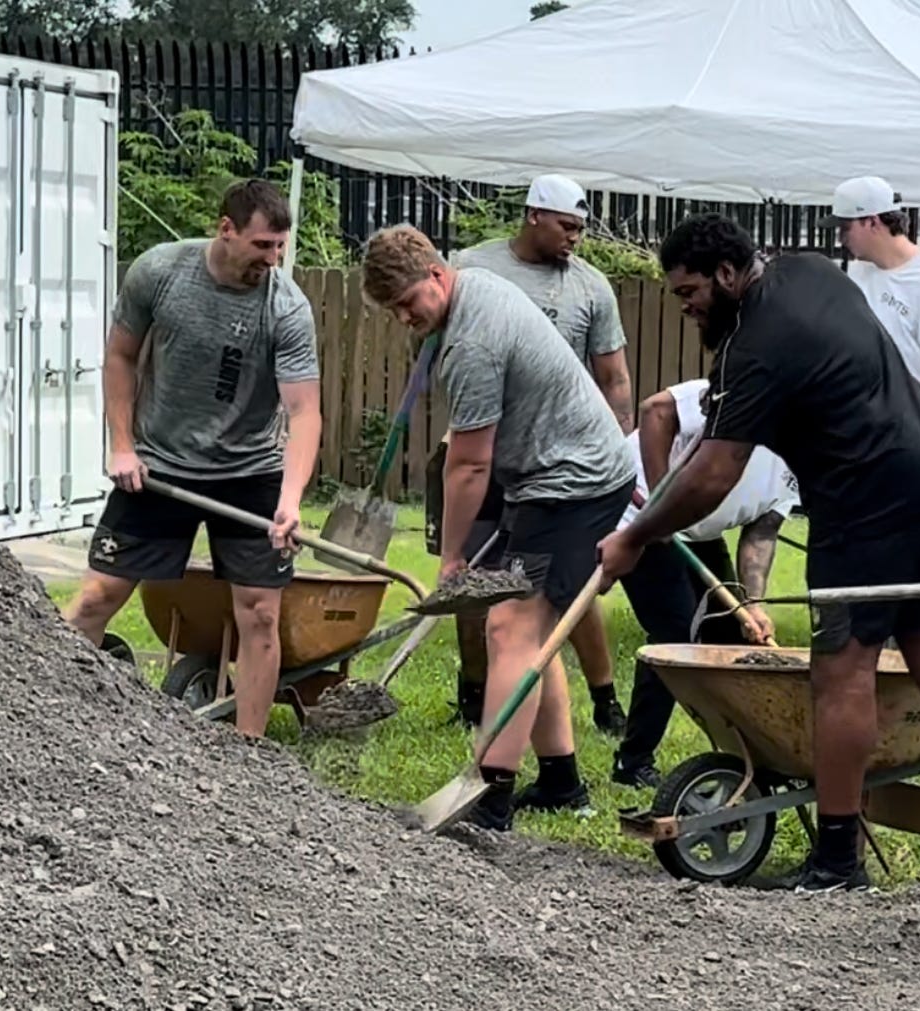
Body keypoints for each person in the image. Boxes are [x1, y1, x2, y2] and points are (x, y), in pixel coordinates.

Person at [596, 213, 920, 895]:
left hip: (870, 493)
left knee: (840, 670)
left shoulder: (758, 344)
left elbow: (713, 473)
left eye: (689, 293)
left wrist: (632, 535)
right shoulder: (808, 269)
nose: (686, 308)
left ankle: (836, 861)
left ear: (728, 274)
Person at [361, 223, 635, 832]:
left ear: (436, 274)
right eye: (394, 311)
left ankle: (490, 798)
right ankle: (561, 780)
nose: (405, 318)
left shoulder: (471, 344)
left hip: (575, 484)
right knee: (524, 631)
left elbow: (469, 464)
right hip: (548, 479)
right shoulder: (475, 288)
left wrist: (452, 558)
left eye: (408, 302)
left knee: (511, 625)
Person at [61, 179, 321, 740]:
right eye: (262, 245)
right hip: (157, 467)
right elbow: (120, 357)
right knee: (94, 599)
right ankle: (43, 719)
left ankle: (250, 754)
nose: (273, 259)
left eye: (280, 246)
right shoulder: (159, 272)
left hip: (249, 472)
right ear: (226, 229)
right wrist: (122, 446)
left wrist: (291, 500)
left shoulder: (287, 308)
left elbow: (304, 413)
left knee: (259, 615)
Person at [428, 174, 635, 736]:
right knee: (477, 583)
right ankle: (477, 696)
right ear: (534, 216)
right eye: (567, 226)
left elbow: (614, 378)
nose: (576, 239)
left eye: (581, 229)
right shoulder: (474, 266)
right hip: (487, 449)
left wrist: (622, 447)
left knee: (557, 592)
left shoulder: (590, 286)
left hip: (564, 463)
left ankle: (604, 697)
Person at [610, 377, 799, 788]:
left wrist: (752, 604)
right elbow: (655, 410)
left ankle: (745, 757)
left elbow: (761, 533)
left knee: (731, 636)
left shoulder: (802, 460)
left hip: (696, 529)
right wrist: (661, 501)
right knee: (674, 636)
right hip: (638, 514)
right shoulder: (745, 393)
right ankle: (633, 760)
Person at [829, 176, 920, 430]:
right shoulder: (860, 271)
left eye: (845, 227)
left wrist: (892, 426)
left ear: (872, 222)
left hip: (917, 444)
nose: (840, 238)